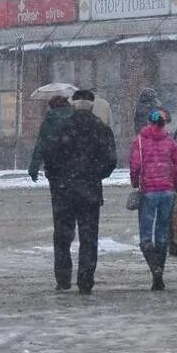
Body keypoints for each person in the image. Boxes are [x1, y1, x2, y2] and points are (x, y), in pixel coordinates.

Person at [42, 89, 117, 294]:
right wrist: (95, 175)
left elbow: (49, 158)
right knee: (88, 238)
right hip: (89, 192)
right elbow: (110, 160)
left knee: (62, 237)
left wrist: (57, 180)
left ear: (73, 104)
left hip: (63, 193)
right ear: (92, 105)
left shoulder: (61, 129)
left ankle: (63, 279)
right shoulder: (101, 129)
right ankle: (85, 280)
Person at [128, 106, 177, 291]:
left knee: (146, 235)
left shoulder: (139, 141)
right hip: (167, 192)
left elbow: (135, 166)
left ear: (148, 122)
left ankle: (154, 267)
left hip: (148, 192)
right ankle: (159, 275)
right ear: (163, 124)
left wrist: (135, 182)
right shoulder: (170, 142)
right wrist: (174, 181)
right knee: (162, 234)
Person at [28, 95, 73, 183]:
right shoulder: (76, 117)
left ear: (52, 106)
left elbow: (41, 145)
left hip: (53, 165)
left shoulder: (49, 121)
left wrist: (34, 168)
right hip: (74, 165)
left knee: (58, 194)